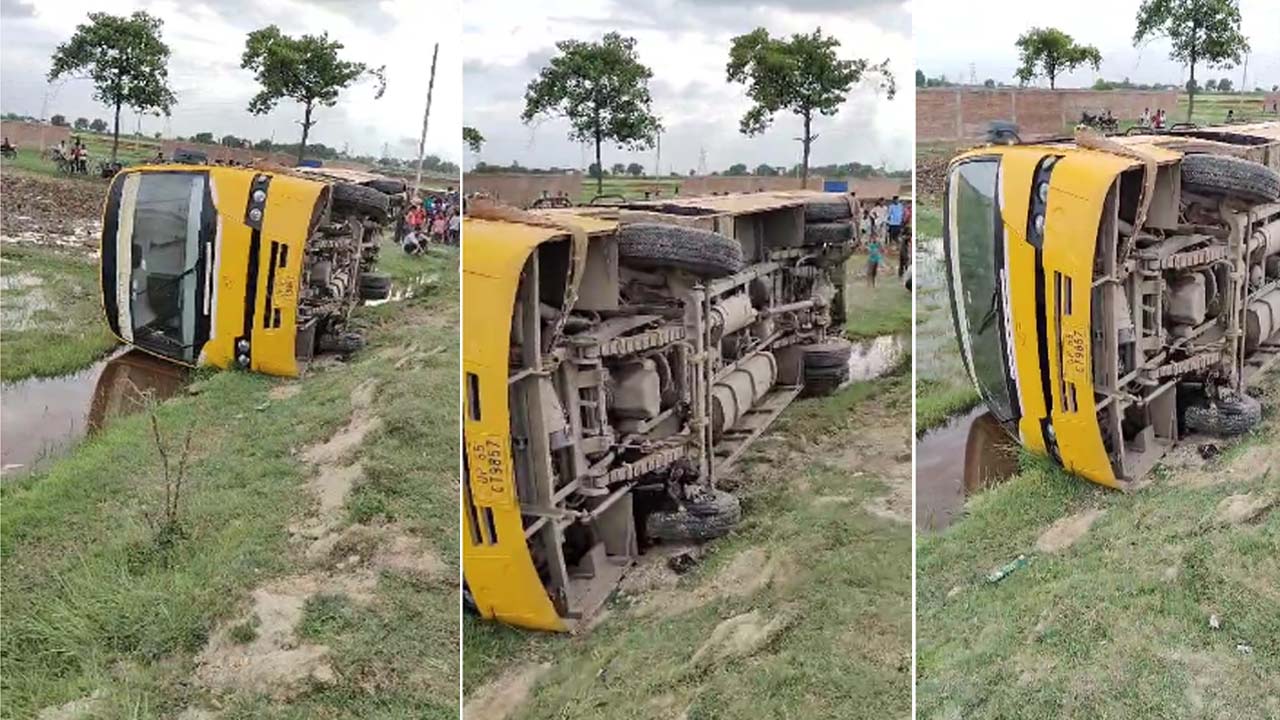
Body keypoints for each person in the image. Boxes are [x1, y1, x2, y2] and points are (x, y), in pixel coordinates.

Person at [886, 195, 907, 277]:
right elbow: (888, 214)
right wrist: (888, 222)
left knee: (897, 237)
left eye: (898, 200)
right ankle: (891, 248)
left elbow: (902, 214)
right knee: (892, 236)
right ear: (893, 200)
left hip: (898, 223)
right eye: (896, 200)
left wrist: (902, 221)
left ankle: (897, 247)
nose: (897, 201)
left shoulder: (900, 206)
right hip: (892, 224)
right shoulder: (891, 207)